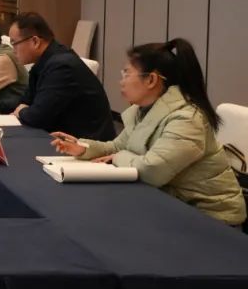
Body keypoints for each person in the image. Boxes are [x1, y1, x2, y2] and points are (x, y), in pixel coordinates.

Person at [51, 39, 245, 227]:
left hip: (211, 219)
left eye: (127, 73)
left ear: (151, 79)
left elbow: (153, 170)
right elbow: (117, 146)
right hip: (172, 203)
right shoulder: (143, 110)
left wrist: (118, 157)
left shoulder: (187, 120)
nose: (121, 82)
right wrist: (83, 148)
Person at [0, 12, 115, 140]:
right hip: (59, 137)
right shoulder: (45, 61)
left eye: (15, 43)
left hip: (86, 146)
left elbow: (38, 116)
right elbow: (25, 101)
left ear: (35, 41)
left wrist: (22, 111)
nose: (13, 50)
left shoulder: (61, 66)